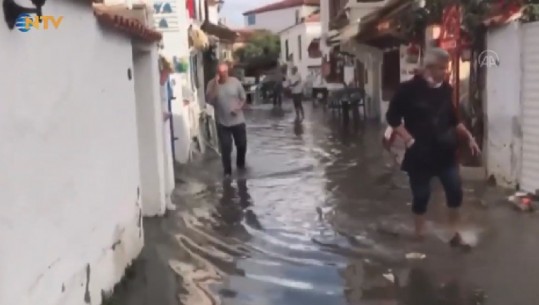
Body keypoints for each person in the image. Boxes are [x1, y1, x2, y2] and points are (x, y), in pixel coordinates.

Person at [385, 48, 480, 245]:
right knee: (421, 196)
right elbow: (392, 118)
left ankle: (454, 233)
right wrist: (409, 140)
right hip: (419, 154)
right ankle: (419, 234)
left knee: (455, 191)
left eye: (447, 68)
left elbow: (453, 118)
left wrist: (469, 136)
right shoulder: (407, 90)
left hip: (445, 153)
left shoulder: (446, 89)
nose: (446, 71)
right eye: (442, 68)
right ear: (428, 68)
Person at [206, 62, 248, 178]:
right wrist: (215, 83)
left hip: (238, 121)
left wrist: (238, 108)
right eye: (220, 72)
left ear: (228, 72)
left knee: (242, 145)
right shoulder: (212, 84)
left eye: (224, 72)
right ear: (217, 73)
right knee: (225, 147)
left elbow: (243, 98)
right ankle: (227, 172)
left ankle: (240, 166)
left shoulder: (235, 82)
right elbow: (209, 100)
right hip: (222, 122)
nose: (223, 74)